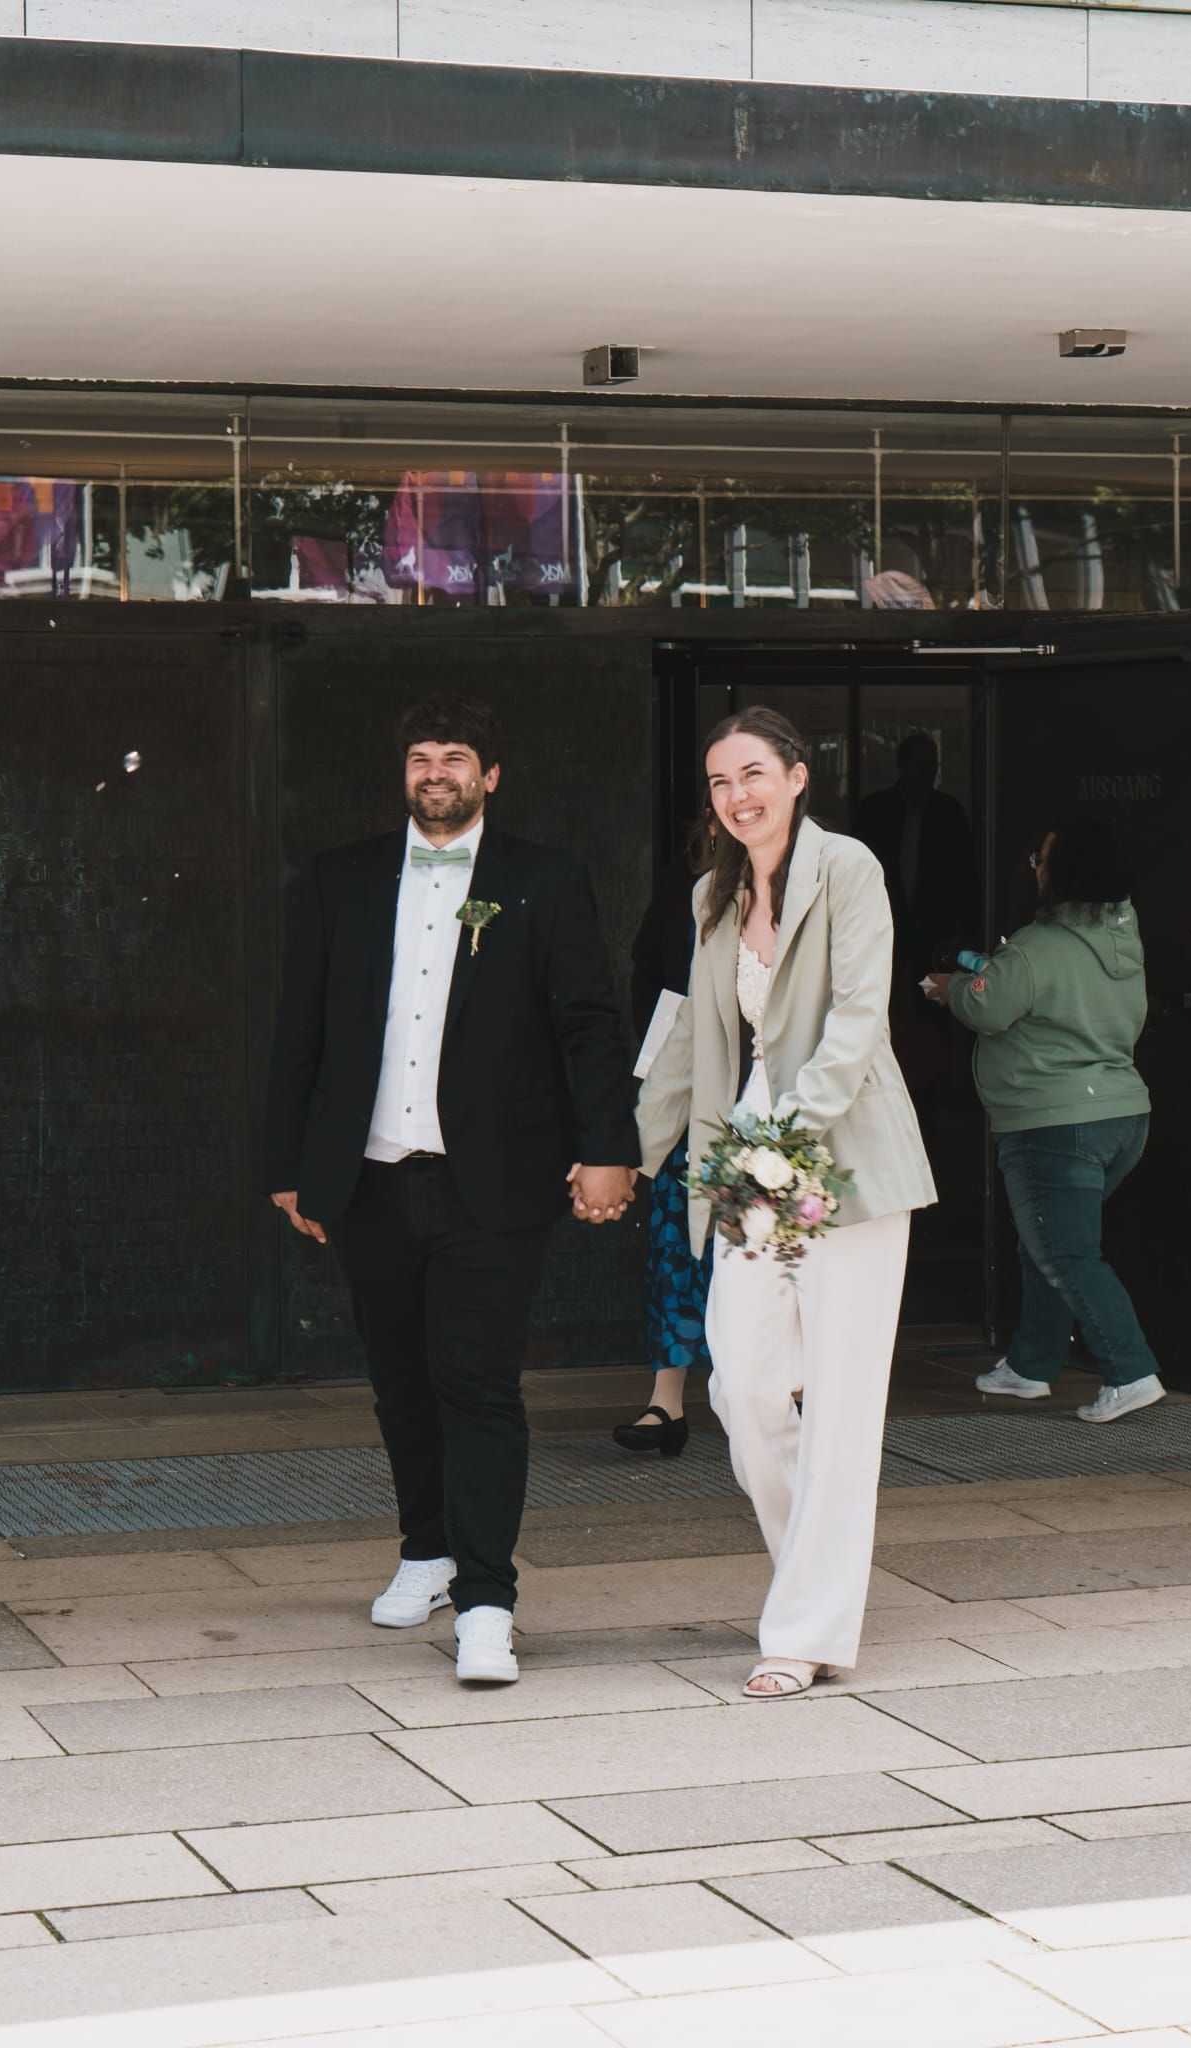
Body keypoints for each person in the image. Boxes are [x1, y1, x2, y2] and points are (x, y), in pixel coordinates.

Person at [263, 695, 639, 1685]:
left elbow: (589, 1023)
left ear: (490, 775)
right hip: (369, 1176)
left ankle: (486, 1602)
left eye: (456, 757)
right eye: (421, 758)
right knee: (399, 1382)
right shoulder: (343, 877)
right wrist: (288, 1164)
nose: (437, 773)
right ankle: (426, 1550)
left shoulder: (544, 879)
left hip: (493, 1181)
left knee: (476, 1384)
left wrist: (610, 1145)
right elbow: (299, 1023)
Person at [637, 707, 936, 1699]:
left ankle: (803, 1626)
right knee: (742, 1386)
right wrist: (626, 1153)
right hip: (746, 1150)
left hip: (842, 1150)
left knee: (843, 1401)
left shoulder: (847, 867)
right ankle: (818, 1574)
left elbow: (858, 1017)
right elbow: (689, 1035)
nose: (737, 795)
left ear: (798, 776)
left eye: (753, 773)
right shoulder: (711, 896)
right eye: (720, 781)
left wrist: (787, 1137)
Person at [926, 817, 1162, 1423]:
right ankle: (1031, 1365)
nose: (1035, 868)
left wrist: (952, 989)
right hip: (1122, 1116)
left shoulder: (1038, 945)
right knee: (1047, 1240)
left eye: (1042, 859)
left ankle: (1131, 1371)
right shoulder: (1123, 939)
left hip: (1054, 1122)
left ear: (1066, 872)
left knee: (1065, 1251)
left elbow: (989, 1007)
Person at [612, 817, 716, 1458]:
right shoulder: (687, 886)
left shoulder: (813, 878)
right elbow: (650, 975)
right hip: (690, 1093)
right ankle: (666, 1401)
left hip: (775, 1103)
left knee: (771, 1250)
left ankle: (789, 1394)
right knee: (676, 1244)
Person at [855, 731, 979, 1136]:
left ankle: (924, 1109)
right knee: (880, 1014)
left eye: (933, 767)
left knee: (931, 1020)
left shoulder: (947, 813)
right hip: (882, 938)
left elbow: (966, 881)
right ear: (903, 767)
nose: (929, 775)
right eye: (922, 766)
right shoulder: (876, 812)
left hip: (934, 942)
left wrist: (964, 938)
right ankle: (881, 1106)